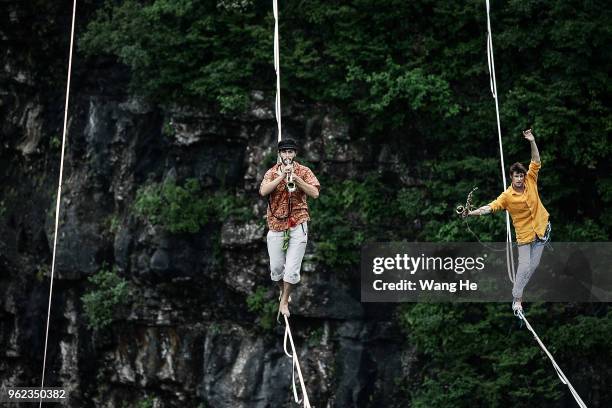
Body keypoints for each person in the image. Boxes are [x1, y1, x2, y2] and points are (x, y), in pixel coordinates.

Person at [467, 129, 550, 313]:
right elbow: (491, 207)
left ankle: (519, 292)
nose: (520, 179)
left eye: (521, 176)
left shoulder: (531, 180)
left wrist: (532, 141)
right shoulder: (507, 196)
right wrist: (471, 213)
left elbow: (536, 161)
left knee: (534, 266)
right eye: (517, 176)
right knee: (525, 266)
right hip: (524, 236)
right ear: (511, 178)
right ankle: (517, 299)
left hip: (541, 230)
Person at [259, 138, 320, 318]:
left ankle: (284, 300)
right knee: (277, 268)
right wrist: (282, 176)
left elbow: (315, 193)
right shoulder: (271, 172)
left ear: (295, 153)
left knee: (292, 269)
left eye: (290, 152)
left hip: (298, 223)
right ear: (280, 154)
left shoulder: (304, 171)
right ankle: (282, 290)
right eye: (284, 152)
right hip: (277, 224)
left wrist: (297, 179)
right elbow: (263, 191)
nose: (287, 155)